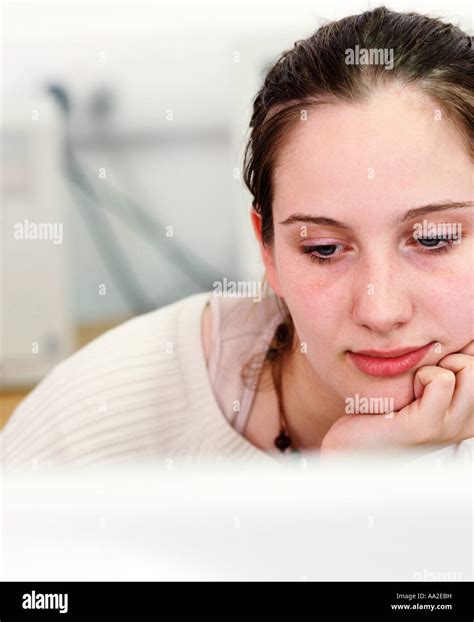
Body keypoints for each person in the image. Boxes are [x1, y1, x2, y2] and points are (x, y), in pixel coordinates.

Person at [1, 6, 473, 471]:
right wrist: (350, 476)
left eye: (433, 240)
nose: (380, 311)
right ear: (267, 250)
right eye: (324, 249)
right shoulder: (94, 418)